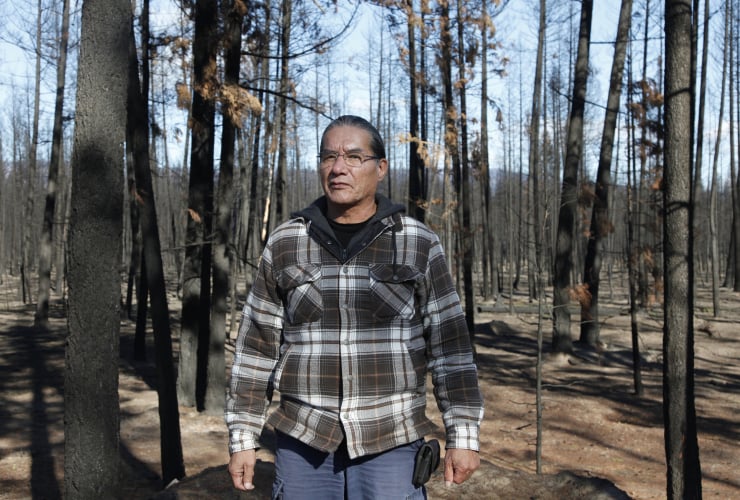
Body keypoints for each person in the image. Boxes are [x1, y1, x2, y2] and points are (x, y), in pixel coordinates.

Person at [225, 115, 484, 499]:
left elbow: (450, 346)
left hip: (391, 437)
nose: (338, 168)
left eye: (353, 157)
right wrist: (243, 437)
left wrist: (463, 434)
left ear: (381, 168)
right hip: (304, 439)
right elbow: (256, 349)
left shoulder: (416, 243)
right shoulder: (286, 242)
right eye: (329, 157)